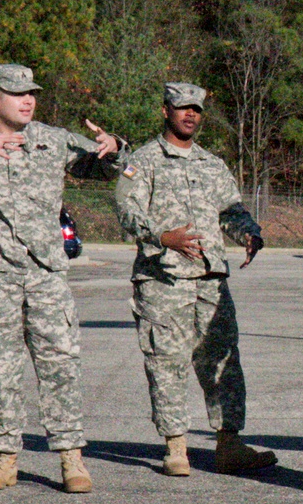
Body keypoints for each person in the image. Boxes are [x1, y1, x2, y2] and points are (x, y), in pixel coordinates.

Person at [0, 63, 128, 493]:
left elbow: (104, 166)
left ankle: (71, 458)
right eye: (17, 94)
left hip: (45, 270)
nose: (28, 100)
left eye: (31, 92)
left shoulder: (53, 137)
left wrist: (115, 146)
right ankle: (4, 458)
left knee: (60, 364)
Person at [115, 83, 276, 476]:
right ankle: (176, 447)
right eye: (183, 108)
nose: (190, 115)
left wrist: (249, 233)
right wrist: (161, 237)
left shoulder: (211, 164)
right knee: (166, 363)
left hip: (210, 280)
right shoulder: (143, 160)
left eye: (197, 110)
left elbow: (231, 210)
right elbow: (126, 209)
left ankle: (229, 443)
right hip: (163, 279)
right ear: (166, 110)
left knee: (222, 362)